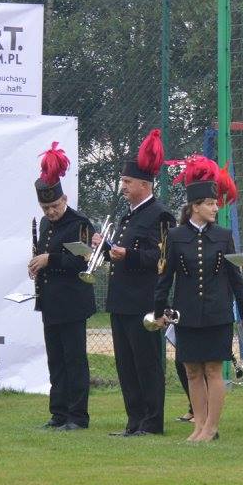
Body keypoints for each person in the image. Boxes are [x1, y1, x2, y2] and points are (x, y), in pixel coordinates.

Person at [155, 157, 243, 443]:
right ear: (195, 206)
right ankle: (198, 425)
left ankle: (211, 427)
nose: (215, 208)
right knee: (191, 371)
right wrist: (159, 310)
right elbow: (165, 276)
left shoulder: (223, 236)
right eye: (210, 203)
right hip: (185, 313)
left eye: (215, 203)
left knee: (212, 369)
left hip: (217, 313)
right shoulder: (175, 236)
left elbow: (234, 275)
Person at [105, 129, 175, 437]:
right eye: (123, 181)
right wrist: (104, 248)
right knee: (126, 365)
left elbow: (162, 257)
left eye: (127, 182)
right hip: (121, 300)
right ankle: (134, 420)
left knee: (147, 364)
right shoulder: (127, 217)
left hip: (143, 300)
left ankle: (152, 422)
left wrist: (128, 254)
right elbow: (122, 255)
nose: (123, 187)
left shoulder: (160, 215)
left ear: (144, 185)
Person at [28, 141, 96, 431]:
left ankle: (78, 416)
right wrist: (36, 266)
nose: (51, 211)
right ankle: (58, 413)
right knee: (55, 360)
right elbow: (44, 254)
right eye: (46, 207)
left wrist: (50, 259)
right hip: (51, 301)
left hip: (73, 301)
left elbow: (82, 262)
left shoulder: (79, 223)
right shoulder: (45, 224)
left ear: (64, 198)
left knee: (74, 360)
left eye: (55, 206)